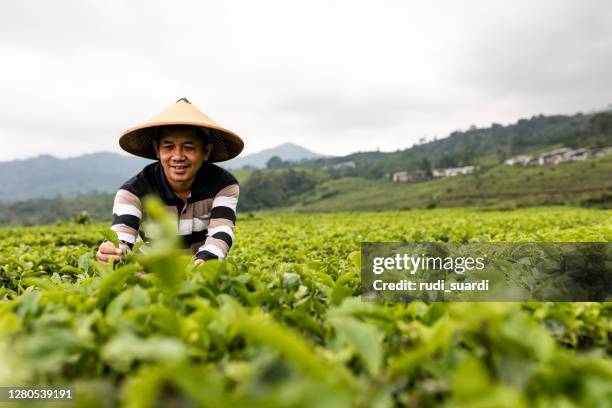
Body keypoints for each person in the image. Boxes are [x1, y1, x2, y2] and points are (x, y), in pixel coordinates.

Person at [96, 98, 244, 265]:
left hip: (200, 271)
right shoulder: (133, 191)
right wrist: (113, 251)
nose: (178, 157)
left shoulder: (223, 185)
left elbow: (221, 232)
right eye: (168, 147)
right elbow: (123, 235)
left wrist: (202, 264)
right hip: (149, 274)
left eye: (188, 147)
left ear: (206, 151)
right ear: (157, 150)